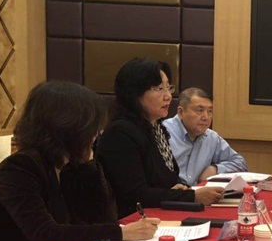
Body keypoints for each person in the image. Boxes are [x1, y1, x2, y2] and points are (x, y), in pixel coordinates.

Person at [0, 81, 160, 241]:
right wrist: (121, 233)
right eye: (92, 127)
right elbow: (45, 235)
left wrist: (89, 166)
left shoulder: (67, 166)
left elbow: (104, 218)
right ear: (69, 127)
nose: (96, 135)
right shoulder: (20, 168)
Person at [96, 59, 223, 218]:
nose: (168, 96)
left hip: (157, 215)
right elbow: (135, 194)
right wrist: (192, 196)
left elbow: (164, 182)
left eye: (168, 88)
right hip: (132, 221)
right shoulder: (120, 132)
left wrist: (177, 189)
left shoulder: (156, 128)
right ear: (135, 92)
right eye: (159, 89)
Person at [163, 87, 248, 186]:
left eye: (210, 111)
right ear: (181, 112)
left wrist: (215, 169)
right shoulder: (163, 133)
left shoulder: (211, 137)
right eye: (200, 110)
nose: (206, 117)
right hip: (170, 193)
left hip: (199, 193)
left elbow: (240, 163)